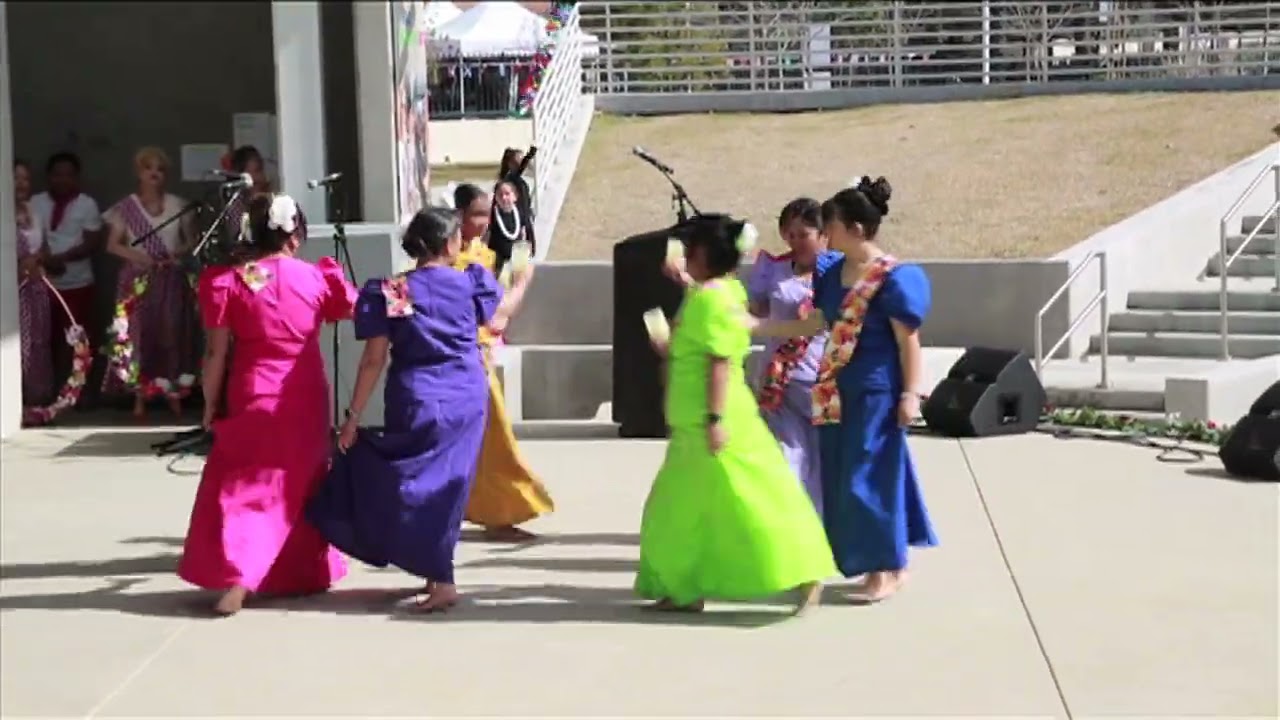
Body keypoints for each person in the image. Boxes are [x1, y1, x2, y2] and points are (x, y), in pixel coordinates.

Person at [307, 206, 536, 612]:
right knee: (449, 488)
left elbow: (374, 359)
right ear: (450, 243)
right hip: (466, 396)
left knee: (407, 479)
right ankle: (438, 573)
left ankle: (436, 572)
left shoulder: (396, 291)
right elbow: (498, 320)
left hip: (416, 396)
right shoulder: (469, 283)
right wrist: (520, 283)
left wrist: (353, 417)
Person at [747, 177, 937, 604]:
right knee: (840, 479)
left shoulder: (893, 278)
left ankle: (887, 566)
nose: (824, 232)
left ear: (854, 228)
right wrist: (760, 328)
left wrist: (911, 393)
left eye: (829, 224)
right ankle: (876, 562)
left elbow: (909, 340)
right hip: (831, 388)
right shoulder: (833, 274)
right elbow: (815, 324)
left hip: (875, 392)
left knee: (868, 479)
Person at [636, 213, 835, 615]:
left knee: (750, 500)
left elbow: (720, 361)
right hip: (695, 423)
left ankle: (805, 571)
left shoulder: (713, 298)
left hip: (715, 423)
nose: (685, 256)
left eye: (690, 250)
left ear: (704, 253)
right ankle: (685, 587)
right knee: (685, 509)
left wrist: (714, 420)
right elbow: (726, 327)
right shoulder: (722, 291)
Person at [178, 193, 355, 616]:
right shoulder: (315, 278)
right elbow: (348, 307)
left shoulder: (231, 281)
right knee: (296, 483)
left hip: (253, 387)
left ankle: (242, 576)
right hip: (304, 391)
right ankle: (288, 573)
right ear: (294, 236)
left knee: (245, 483)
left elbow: (216, 354)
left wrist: (208, 405)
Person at [452, 183, 554, 542]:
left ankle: (501, 511)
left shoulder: (485, 255)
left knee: (494, 436)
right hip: (460, 355)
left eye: (486, 214)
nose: (482, 222)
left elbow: (494, 317)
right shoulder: (448, 257)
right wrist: (521, 285)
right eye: (475, 214)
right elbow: (495, 313)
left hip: (478, 350)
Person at [745, 198, 832, 513]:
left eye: (803, 234)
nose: (795, 242)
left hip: (821, 382)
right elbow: (755, 310)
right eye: (789, 234)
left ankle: (818, 528)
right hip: (778, 381)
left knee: (821, 460)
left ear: (824, 235)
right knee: (786, 453)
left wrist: (762, 326)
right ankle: (789, 521)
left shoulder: (836, 276)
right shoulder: (774, 268)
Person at [102, 146, 200, 420]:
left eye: (159, 168)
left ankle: (174, 393)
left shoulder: (178, 205)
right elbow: (112, 245)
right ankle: (139, 397)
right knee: (137, 336)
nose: (154, 173)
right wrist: (141, 258)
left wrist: (174, 255)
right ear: (139, 173)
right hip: (137, 280)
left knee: (171, 334)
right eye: (148, 168)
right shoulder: (125, 209)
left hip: (169, 277)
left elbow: (192, 241)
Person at [29, 152, 103, 403]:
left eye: (68, 175)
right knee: (44, 341)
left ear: (76, 178)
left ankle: (81, 393)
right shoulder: (35, 203)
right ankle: (47, 393)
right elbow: (32, 236)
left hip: (78, 282)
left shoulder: (87, 204)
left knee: (78, 342)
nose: (63, 180)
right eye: (57, 174)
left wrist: (63, 259)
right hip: (44, 284)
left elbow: (93, 241)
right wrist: (47, 258)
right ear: (49, 177)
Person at [13, 160, 55, 407]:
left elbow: (46, 249)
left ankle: (35, 399)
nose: (21, 184)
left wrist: (37, 258)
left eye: (26, 179)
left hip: (36, 287)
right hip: (12, 288)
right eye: (16, 178)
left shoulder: (34, 211)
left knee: (38, 342)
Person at [488, 179, 531, 274]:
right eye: (500, 195)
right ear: (495, 198)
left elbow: (523, 232)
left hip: (516, 258)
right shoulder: (492, 216)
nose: (504, 197)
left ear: (515, 196)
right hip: (498, 260)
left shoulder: (520, 213)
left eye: (507, 194)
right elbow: (487, 236)